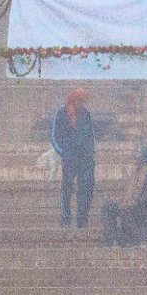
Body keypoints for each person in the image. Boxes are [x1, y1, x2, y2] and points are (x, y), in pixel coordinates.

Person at [100, 143, 147, 246]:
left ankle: (133, 240)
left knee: (126, 209)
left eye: (138, 155)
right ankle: (112, 240)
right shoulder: (137, 171)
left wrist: (134, 202)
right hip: (133, 203)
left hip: (146, 207)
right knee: (108, 207)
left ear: (144, 158)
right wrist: (122, 200)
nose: (135, 158)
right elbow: (130, 191)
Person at [50, 87, 97, 228]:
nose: (81, 104)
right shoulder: (61, 113)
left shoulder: (86, 114)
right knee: (67, 189)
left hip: (85, 158)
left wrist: (90, 154)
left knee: (85, 189)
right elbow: (55, 136)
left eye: (83, 101)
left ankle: (82, 219)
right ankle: (66, 218)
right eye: (79, 101)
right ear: (73, 100)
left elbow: (90, 136)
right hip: (69, 157)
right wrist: (63, 152)